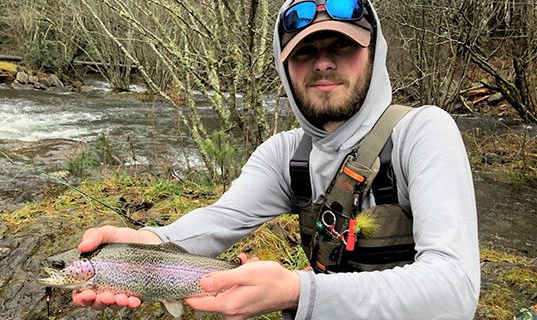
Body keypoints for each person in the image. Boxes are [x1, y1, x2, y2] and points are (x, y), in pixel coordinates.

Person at [72, 0, 481, 319]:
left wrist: (296, 292)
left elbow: (455, 291)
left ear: (374, 53)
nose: (323, 62)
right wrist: (148, 243)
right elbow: (218, 220)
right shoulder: (285, 154)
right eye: (305, 51)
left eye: (341, 45)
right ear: (285, 68)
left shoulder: (422, 133)